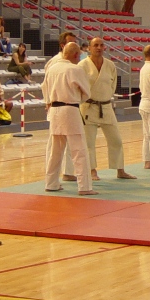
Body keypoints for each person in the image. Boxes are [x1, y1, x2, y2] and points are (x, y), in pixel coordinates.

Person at [42, 42, 94, 195]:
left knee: (55, 150)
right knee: (79, 150)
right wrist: (77, 98)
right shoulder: (75, 69)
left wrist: (49, 101)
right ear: (76, 54)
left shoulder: (52, 68)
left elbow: (44, 88)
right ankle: (84, 187)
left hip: (54, 110)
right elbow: (86, 92)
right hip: (70, 110)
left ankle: (51, 183)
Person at [80, 37, 135, 182]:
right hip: (88, 107)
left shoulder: (110, 65)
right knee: (89, 142)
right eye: (95, 45)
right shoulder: (82, 65)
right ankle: (92, 171)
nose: (99, 48)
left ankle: (120, 169)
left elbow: (113, 85)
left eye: (101, 45)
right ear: (89, 48)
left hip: (106, 105)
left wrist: (105, 97)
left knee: (116, 139)